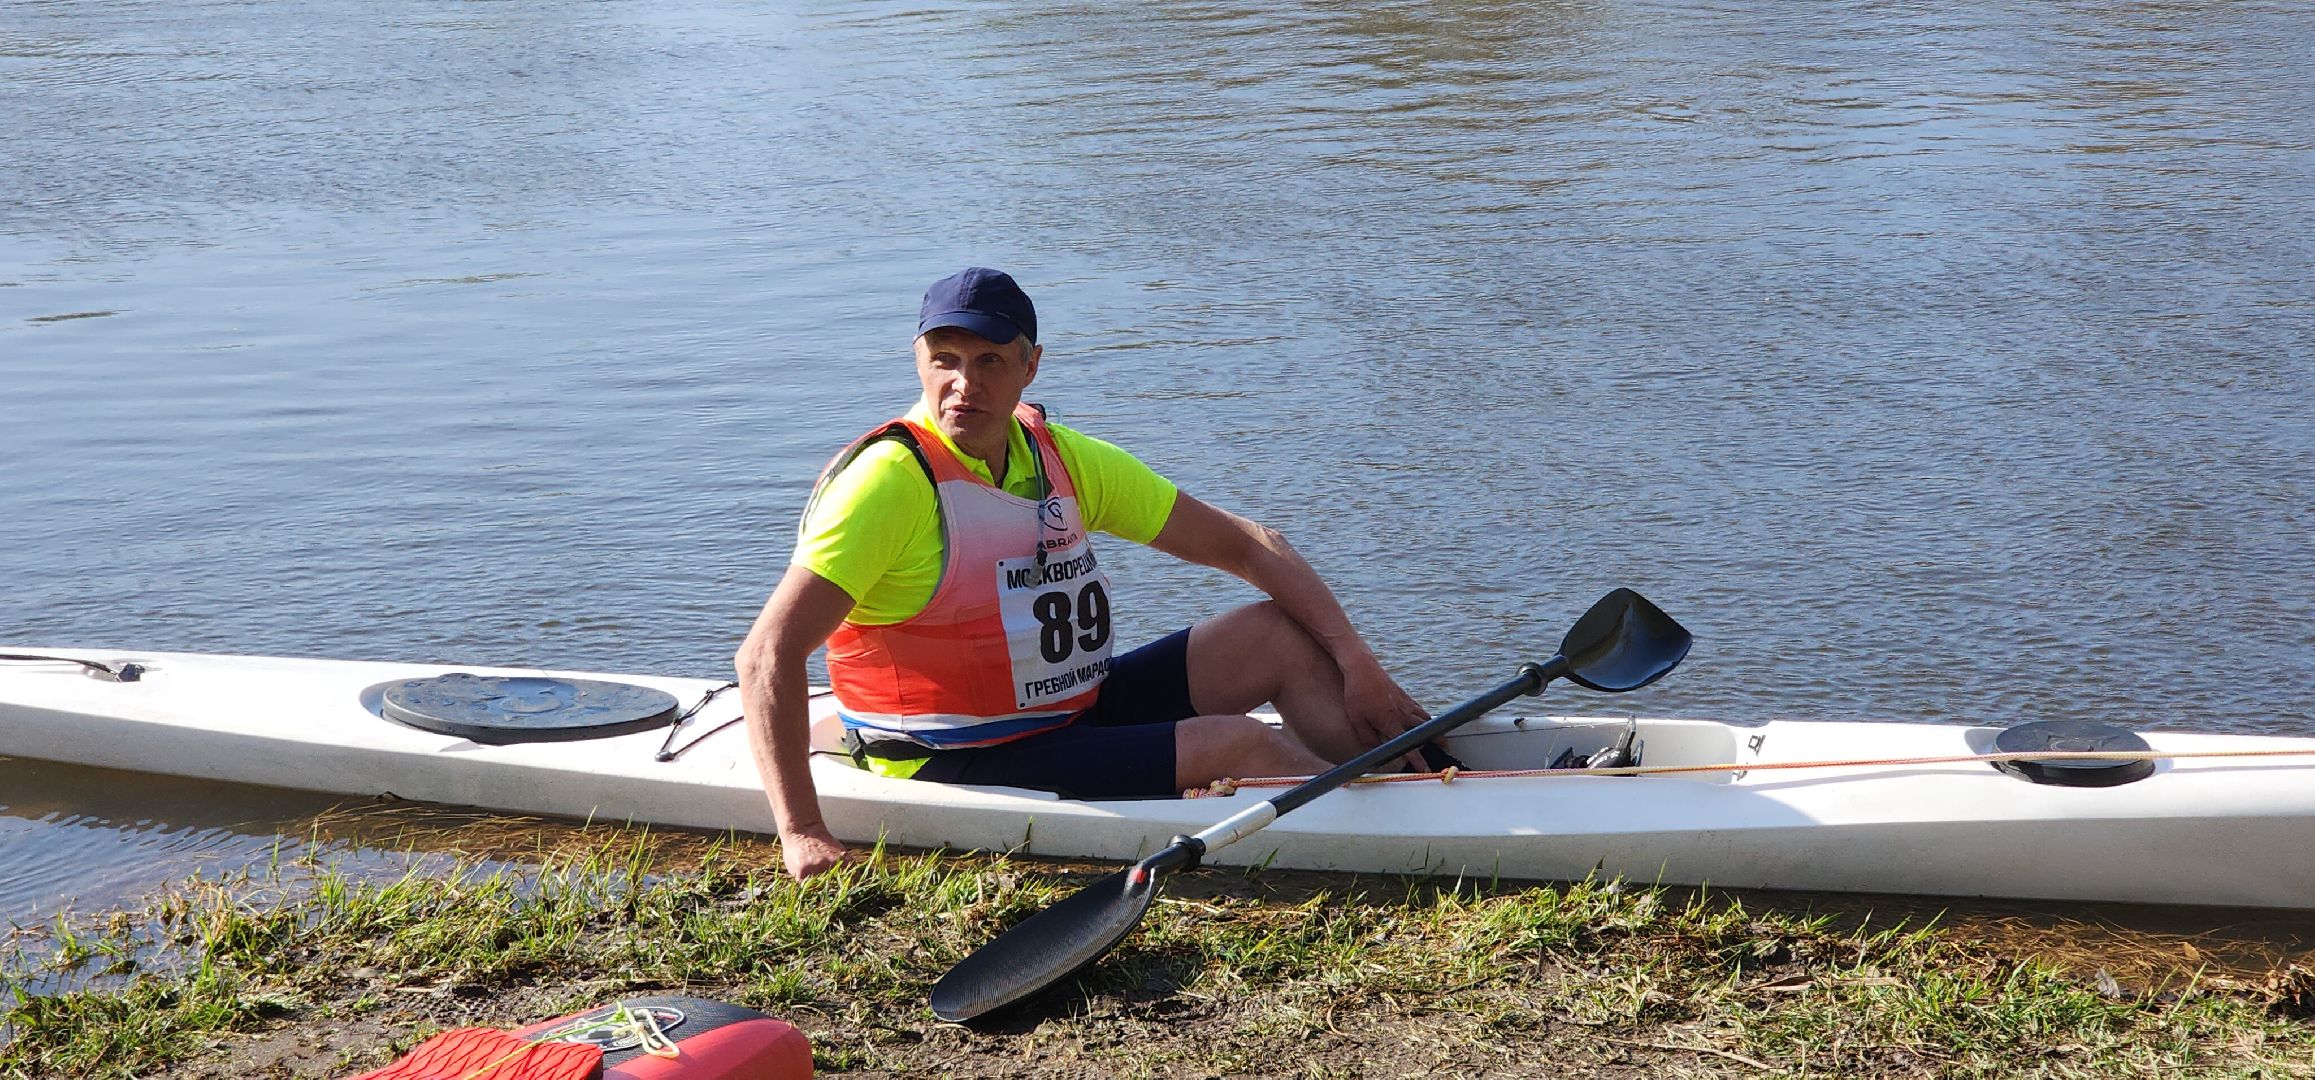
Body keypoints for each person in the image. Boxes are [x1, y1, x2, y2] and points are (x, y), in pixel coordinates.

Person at [735, 267, 1432, 881]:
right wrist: (802, 830)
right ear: (918, 358)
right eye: (944, 359)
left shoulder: (1061, 457)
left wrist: (1357, 662)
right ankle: (1419, 831)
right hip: (946, 753)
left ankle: (1417, 777)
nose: (964, 385)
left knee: (1277, 635)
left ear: (1030, 366)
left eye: (989, 361)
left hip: (1070, 713)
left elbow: (1253, 547)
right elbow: (767, 654)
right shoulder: (888, 484)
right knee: (1239, 742)